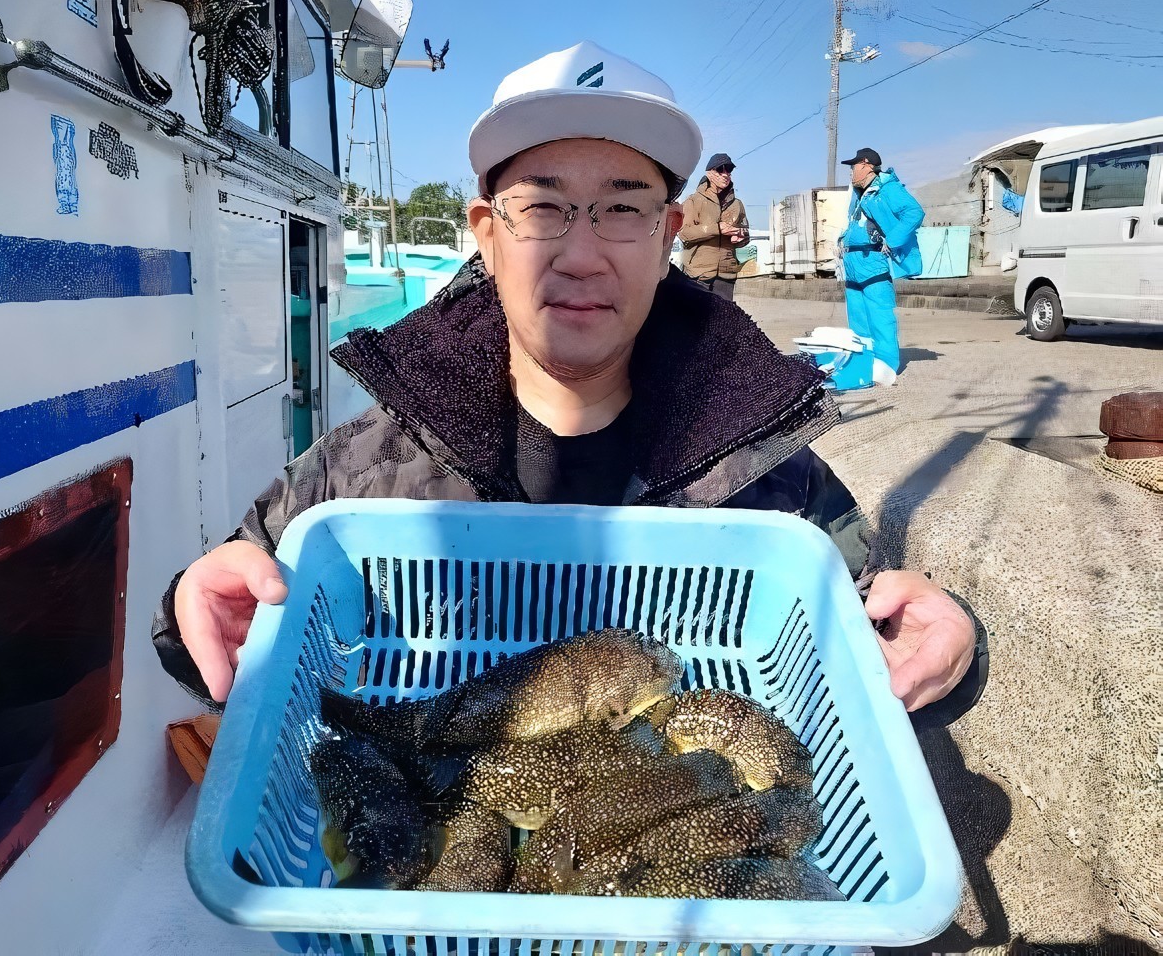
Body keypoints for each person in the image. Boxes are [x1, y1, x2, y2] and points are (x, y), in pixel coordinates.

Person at [153, 42, 983, 725]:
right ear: (486, 233)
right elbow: (229, 607)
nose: (583, 255)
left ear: (668, 235)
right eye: (543, 208)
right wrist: (194, 616)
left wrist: (951, 650)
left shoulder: (771, 477)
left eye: (624, 209)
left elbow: (872, 632)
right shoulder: (359, 473)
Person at [838, 147, 925, 386]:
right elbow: (854, 224)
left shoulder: (888, 188)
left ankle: (886, 366)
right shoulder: (860, 194)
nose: (851, 172)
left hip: (873, 262)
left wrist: (894, 240)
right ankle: (864, 363)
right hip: (853, 264)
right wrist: (841, 241)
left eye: (853, 166)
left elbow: (914, 213)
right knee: (858, 319)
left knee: (880, 316)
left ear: (866, 165)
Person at [678, 152, 750, 300]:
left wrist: (741, 238)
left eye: (729, 170)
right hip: (698, 274)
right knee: (697, 320)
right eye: (720, 169)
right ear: (709, 173)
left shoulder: (737, 204)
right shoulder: (693, 201)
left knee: (723, 320)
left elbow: (746, 234)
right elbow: (684, 233)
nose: (725, 174)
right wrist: (717, 228)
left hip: (726, 274)